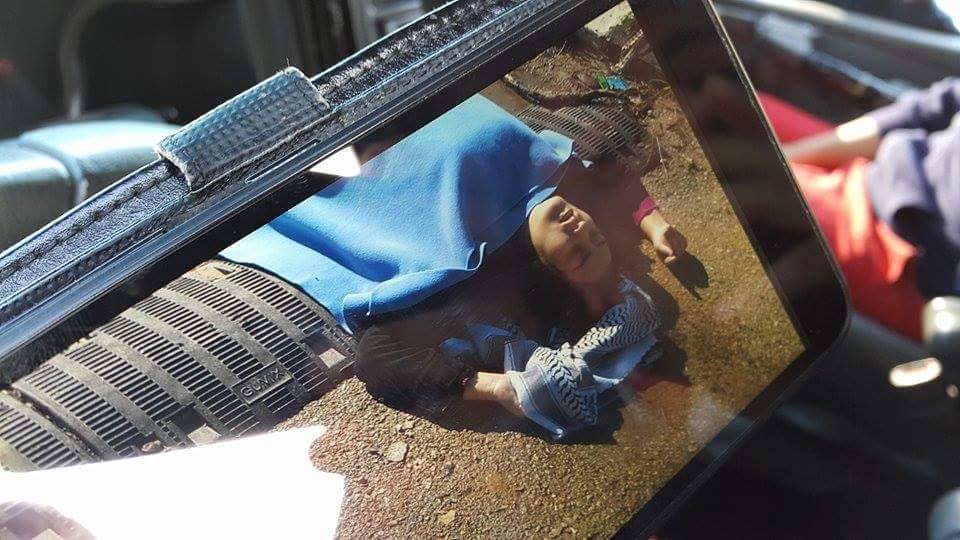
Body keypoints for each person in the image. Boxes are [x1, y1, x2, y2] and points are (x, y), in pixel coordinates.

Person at [758, 78, 960, 341]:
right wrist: (787, 156)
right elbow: (938, 104)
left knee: (732, 196)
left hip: (899, 250)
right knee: (723, 97)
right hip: (877, 162)